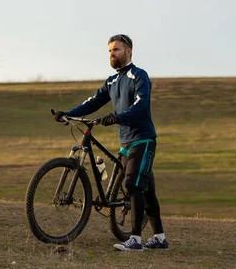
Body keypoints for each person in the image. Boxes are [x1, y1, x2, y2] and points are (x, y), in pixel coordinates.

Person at [53, 34, 168, 251]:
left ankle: (135, 240)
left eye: (116, 49)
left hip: (143, 139)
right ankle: (160, 238)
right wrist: (68, 114)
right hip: (125, 142)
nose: (112, 54)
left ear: (128, 51)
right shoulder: (112, 81)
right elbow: (94, 102)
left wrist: (118, 116)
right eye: (109, 51)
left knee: (133, 184)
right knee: (146, 190)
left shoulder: (139, 75)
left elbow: (141, 105)